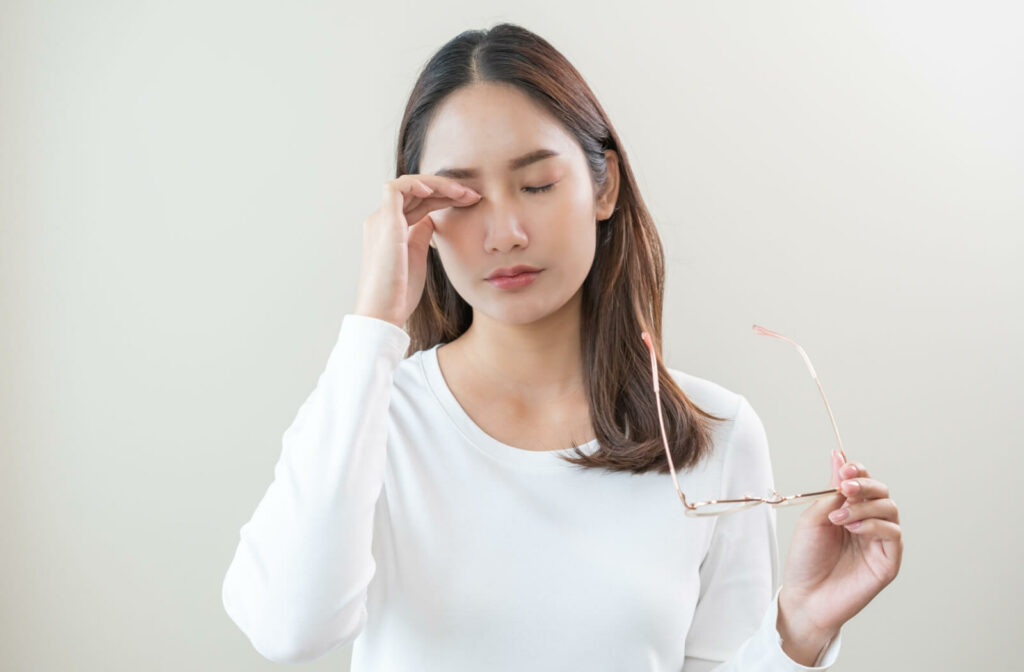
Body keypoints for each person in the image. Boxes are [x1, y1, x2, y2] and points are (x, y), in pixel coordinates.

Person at [221, 23, 903, 670]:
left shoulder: (711, 434)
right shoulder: (374, 420)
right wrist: (376, 320)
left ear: (602, 185)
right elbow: (289, 627)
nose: (505, 231)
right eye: (462, 198)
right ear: (418, 216)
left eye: (537, 185)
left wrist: (801, 630)